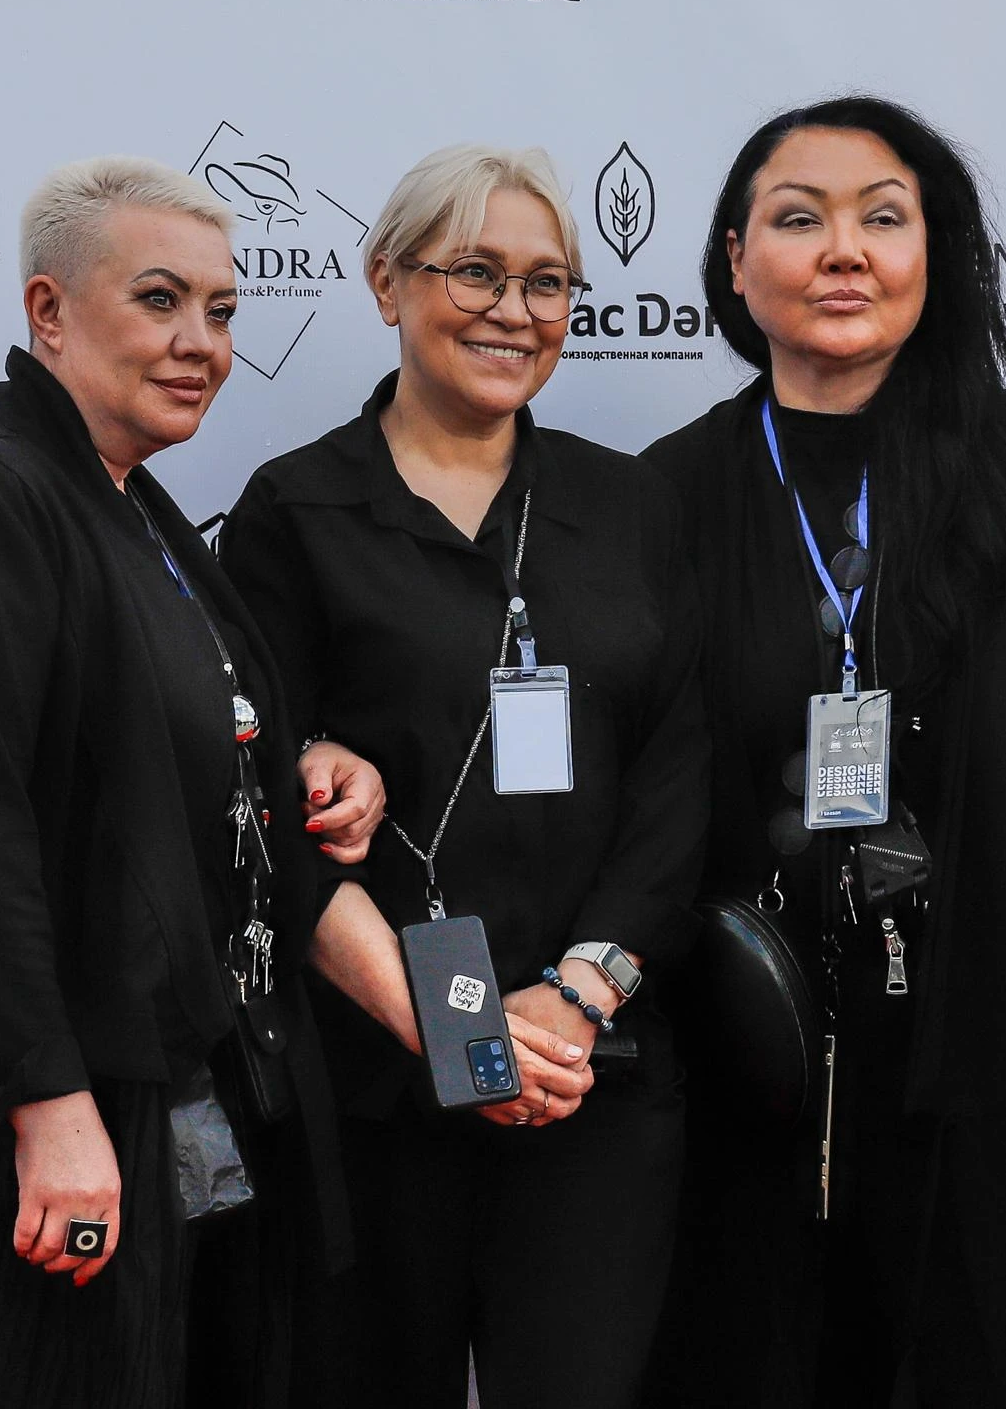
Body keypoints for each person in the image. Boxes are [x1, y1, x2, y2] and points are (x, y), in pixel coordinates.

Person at [0, 156, 384, 1408]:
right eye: (159, 300)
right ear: (48, 311)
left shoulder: (127, 504)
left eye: (221, 309)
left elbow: (148, 765)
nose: (200, 342)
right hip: (17, 1092)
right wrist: (45, 1103)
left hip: (145, 1075)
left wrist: (294, 763)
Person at [641, 98, 1006, 1407]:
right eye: (800, 218)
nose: (845, 250)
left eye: (883, 218)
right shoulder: (668, 493)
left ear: (932, 255)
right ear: (735, 262)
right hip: (752, 1066)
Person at [218, 145, 709, 1409]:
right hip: (376, 1087)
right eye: (475, 272)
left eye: (547, 282)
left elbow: (676, 786)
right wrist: (454, 1032)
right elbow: (257, 803)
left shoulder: (631, 505)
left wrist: (579, 996)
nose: (514, 311)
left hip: (591, 1077)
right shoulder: (294, 511)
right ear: (386, 282)